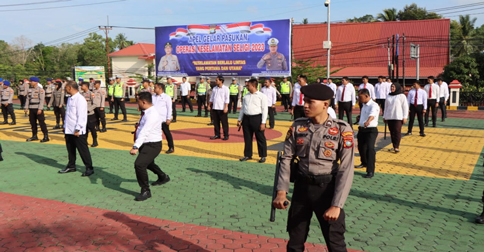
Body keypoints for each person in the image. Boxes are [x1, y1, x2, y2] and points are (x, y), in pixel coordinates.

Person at [273, 84, 354, 252]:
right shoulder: (297, 126)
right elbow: (286, 159)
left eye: (310, 102)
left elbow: (346, 168)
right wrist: (281, 192)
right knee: (295, 241)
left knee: (335, 243)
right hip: (301, 190)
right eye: (305, 101)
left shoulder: (341, 129)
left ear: (325, 104)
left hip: (327, 191)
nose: (305, 105)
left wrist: (336, 205)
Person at [130, 92, 171, 201]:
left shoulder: (152, 114)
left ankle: (145, 190)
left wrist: (135, 146)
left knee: (139, 164)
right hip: (146, 143)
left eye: (138, 102)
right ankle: (163, 177)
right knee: (148, 163)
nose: (137, 104)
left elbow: (145, 131)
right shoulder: (146, 112)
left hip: (153, 145)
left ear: (143, 102)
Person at [58, 81, 94, 177]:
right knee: (70, 149)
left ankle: (89, 168)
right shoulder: (70, 99)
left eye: (66, 88)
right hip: (69, 129)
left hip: (77, 130)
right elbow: (68, 114)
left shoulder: (80, 99)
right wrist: (65, 126)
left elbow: (82, 116)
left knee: (83, 150)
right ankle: (71, 166)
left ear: (70, 88)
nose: (65, 89)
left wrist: (78, 129)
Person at [237, 78, 268, 163]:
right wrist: (239, 119)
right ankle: (247, 155)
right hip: (246, 119)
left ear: (254, 86)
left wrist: (263, 122)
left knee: (260, 138)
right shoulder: (246, 96)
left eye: (248, 85)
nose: (247, 87)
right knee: (247, 138)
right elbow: (243, 108)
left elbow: (265, 110)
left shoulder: (262, 96)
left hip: (257, 118)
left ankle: (262, 155)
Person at [355, 89, 380, 178]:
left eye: (360, 97)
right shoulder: (363, 105)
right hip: (362, 129)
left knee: (370, 149)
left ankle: (370, 170)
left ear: (366, 96)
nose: (359, 99)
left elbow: (372, 115)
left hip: (370, 130)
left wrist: (368, 121)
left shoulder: (374, 105)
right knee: (361, 148)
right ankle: (364, 163)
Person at [383, 83, 408, 153]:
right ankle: (394, 145)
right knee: (392, 132)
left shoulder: (401, 96)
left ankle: (396, 147)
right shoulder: (388, 96)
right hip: (389, 116)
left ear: (397, 87)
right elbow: (386, 107)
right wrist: (384, 116)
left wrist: (405, 117)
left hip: (398, 117)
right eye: (391, 87)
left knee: (397, 132)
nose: (392, 88)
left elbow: (405, 107)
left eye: (393, 87)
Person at [152, 83, 175, 154]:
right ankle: (154, 147)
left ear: (160, 88)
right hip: (154, 119)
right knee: (154, 133)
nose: (154, 89)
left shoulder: (166, 97)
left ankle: (171, 147)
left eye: (155, 88)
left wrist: (168, 118)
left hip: (163, 119)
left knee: (167, 133)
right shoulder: (153, 97)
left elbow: (169, 108)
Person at [25, 77, 49, 143]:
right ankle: (34, 135)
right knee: (32, 123)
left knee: (41, 123)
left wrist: (40, 108)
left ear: (36, 82)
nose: (31, 82)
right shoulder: (29, 90)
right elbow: (27, 99)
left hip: (37, 107)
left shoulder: (40, 90)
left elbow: (42, 100)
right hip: (31, 107)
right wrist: (26, 107)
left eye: (32, 81)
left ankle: (46, 136)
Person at [208, 75, 230, 140]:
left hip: (222, 108)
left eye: (217, 80)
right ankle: (217, 135)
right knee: (216, 123)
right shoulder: (214, 88)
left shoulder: (226, 88)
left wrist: (226, 107)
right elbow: (212, 98)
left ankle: (226, 135)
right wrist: (209, 105)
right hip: (215, 108)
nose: (216, 81)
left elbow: (227, 99)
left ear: (221, 81)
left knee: (224, 123)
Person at [80, 82, 98, 147]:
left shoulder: (91, 94)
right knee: (84, 128)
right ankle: (85, 141)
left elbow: (95, 104)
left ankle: (95, 141)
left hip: (90, 114)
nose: (81, 87)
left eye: (82, 86)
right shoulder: (81, 94)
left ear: (86, 86)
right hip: (83, 115)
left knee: (92, 128)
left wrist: (88, 110)